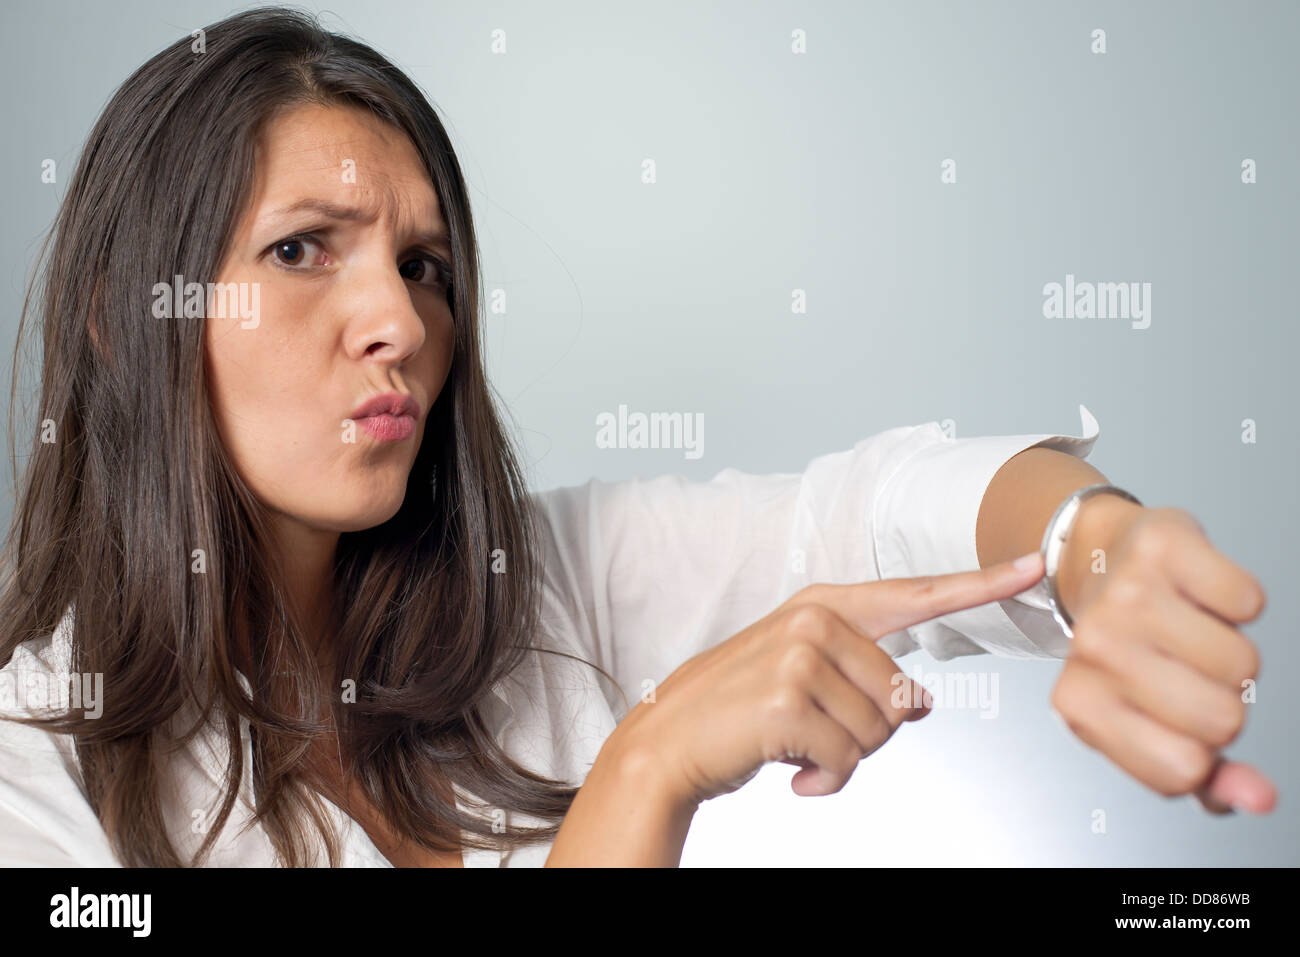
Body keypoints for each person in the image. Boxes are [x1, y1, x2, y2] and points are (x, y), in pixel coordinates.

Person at [0, 7, 1275, 868]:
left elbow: (876, 510)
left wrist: (1092, 548)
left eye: (425, 265)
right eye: (299, 252)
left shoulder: (545, 590)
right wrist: (646, 768)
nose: (397, 317)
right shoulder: (31, 775)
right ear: (128, 317)